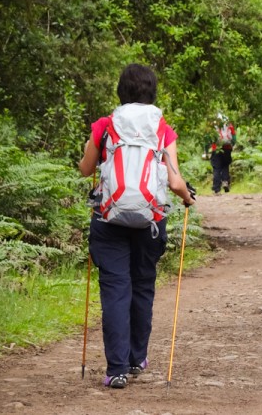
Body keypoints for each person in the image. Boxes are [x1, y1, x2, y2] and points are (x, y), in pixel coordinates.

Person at [78, 64, 195, 389]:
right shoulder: (162, 129)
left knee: (115, 288)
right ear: (152, 92)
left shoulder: (105, 125)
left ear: (121, 91)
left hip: (108, 218)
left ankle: (116, 369)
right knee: (142, 286)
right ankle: (136, 358)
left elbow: (86, 169)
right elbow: (173, 181)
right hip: (151, 221)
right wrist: (187, 196)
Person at [204, 113, 236, 195]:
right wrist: (232, 145)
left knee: (217, 168)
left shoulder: (212, 126)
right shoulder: (229, 124)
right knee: (225, 165)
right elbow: (234, 138)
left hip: (216, 149)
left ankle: (216, 189)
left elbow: (207, 139)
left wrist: (206, 151)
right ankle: (225, 182)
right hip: (227, 148)